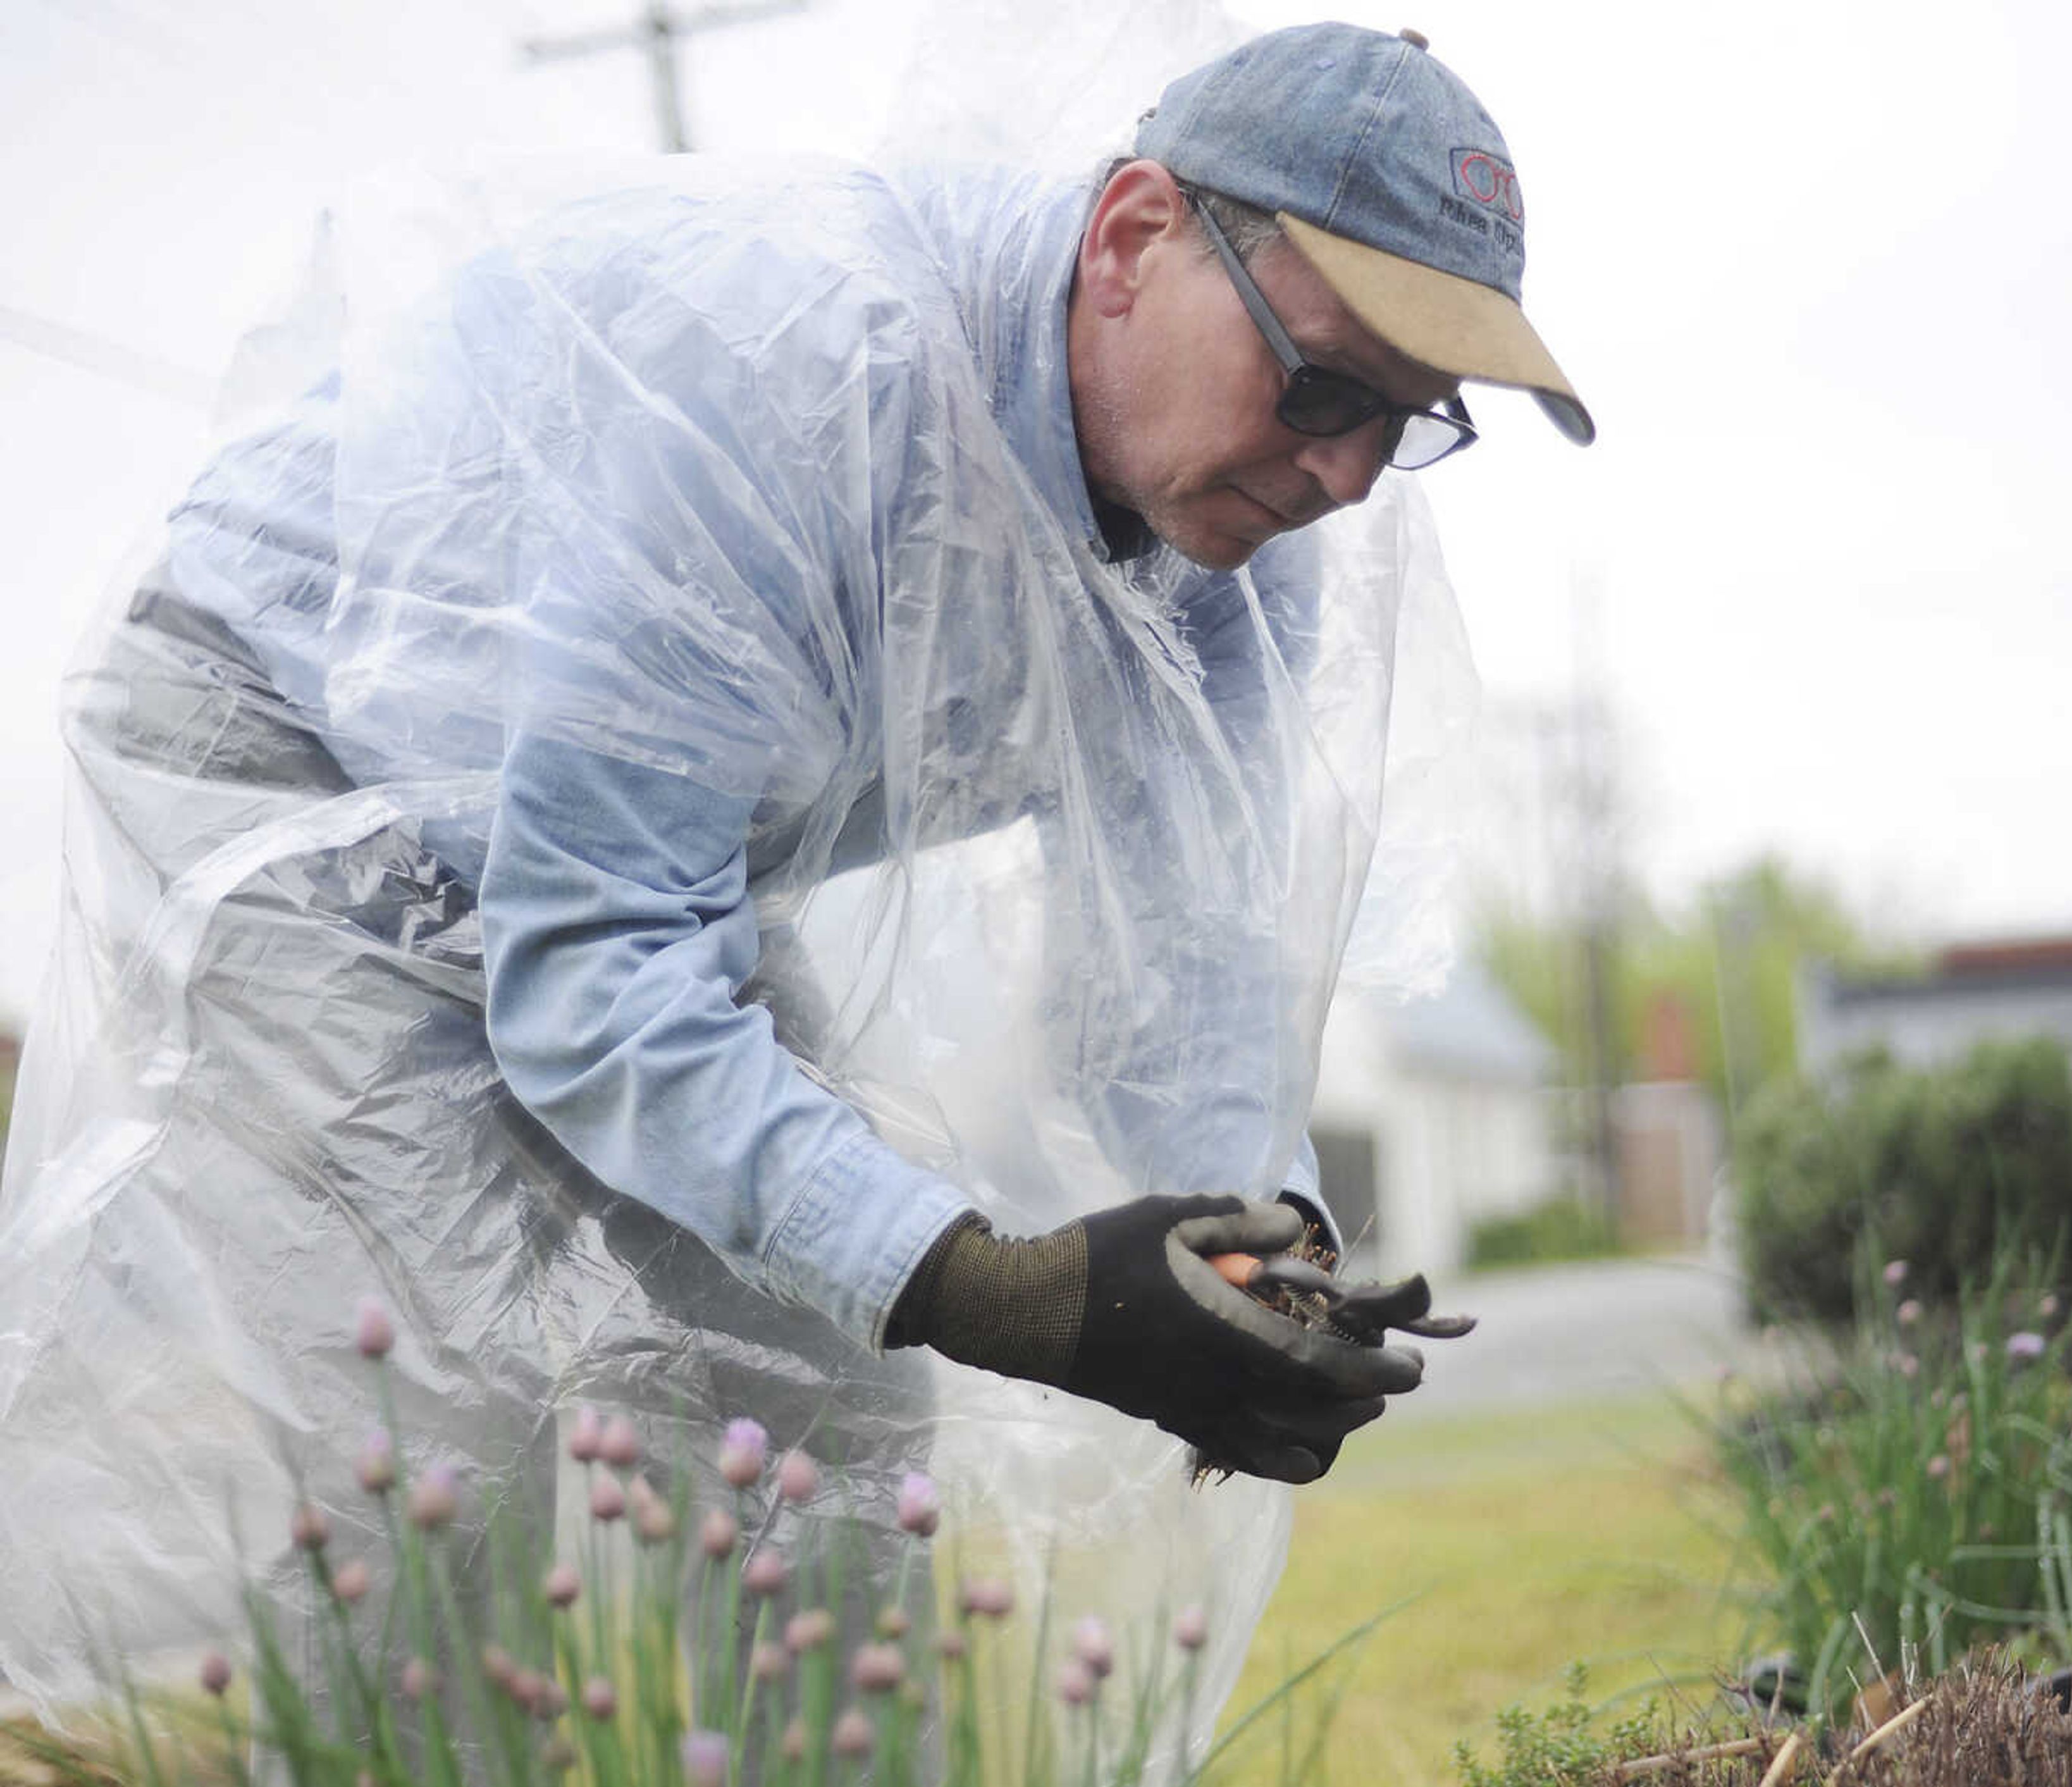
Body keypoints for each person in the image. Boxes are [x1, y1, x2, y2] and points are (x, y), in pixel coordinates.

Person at [0, 18, 1589, 1726]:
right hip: (293, 741)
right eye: (1328, 382)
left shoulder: (1232, 550)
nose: (1348, 474)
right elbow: (603, 975)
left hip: (634, 840)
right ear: (1133, 239)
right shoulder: (805, 382)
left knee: (833, 1398)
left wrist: (1260, 1264)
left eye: (1411, 424)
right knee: (445, 1408)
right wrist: (1006, 1288)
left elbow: (1182, 982)